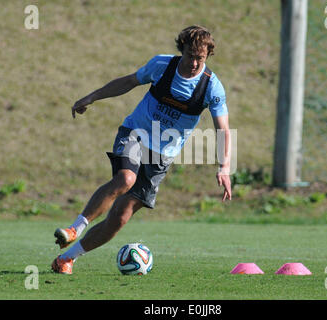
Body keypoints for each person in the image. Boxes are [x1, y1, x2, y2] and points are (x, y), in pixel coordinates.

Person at [51, 25, 232, 274]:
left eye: (200, 58)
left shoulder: (211, 87)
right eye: (190, 55)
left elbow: (222, 128)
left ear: (207, 56)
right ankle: (75, 228)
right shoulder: (162, 66)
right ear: (182, 50)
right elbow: (128, 82)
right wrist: (91, 97)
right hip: (135, 134)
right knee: (125, 178)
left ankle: (66, 258)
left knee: (119, 218)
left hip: (162, 155)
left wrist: (224, 166)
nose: (193, 63)